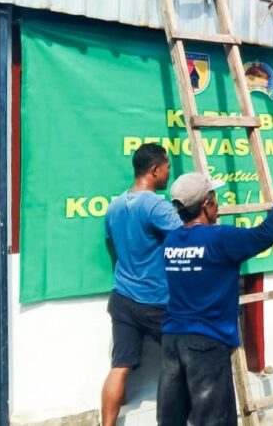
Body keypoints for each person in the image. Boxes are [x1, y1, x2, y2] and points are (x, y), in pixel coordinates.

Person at [156, 158, 273, 426]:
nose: (218, 204)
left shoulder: (172, 240)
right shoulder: (219, 239)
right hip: (206, 346)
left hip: (172, 342)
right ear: (206, 204)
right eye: (215, 198)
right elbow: (263, 235)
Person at [101, 144, 181, 426]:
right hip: (156, 301)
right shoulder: (156, 206)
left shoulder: (115, 206)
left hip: (122, 298)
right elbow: (187, 237)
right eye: (168, 168)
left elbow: (113, 246)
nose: (169, 173)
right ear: (154, 170)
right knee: (181, 362)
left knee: (119, 367)